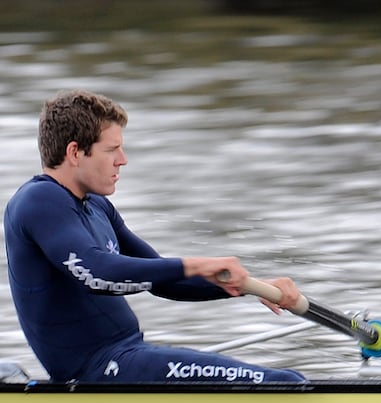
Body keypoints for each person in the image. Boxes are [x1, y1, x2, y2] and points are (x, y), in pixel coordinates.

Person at [4, 89, 305, 384]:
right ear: (74, 152)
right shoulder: (39, 201)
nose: (122, 159)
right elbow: (97, 273)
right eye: (111, 150)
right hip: (94, 370)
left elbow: (165, 280)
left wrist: (254, 287)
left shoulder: (97, 206)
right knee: (287, 383)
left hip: (126, 357)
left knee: (285, 379)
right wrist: (196, 264)